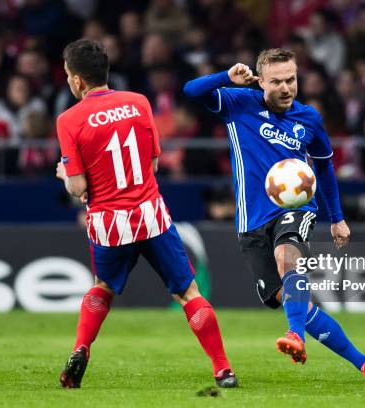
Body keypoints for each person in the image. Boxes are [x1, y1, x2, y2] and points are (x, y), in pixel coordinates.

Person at [183, 49, 365, 383]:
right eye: (276, 81)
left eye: (291, 79)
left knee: (287, 259)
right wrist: (226, 77)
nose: (285, 87)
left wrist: (336, 216)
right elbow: (191, 90)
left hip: (295, 207)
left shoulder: (308, 118)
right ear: (261, 81)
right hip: (251, 220)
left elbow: (323, 166)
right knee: (288, 298)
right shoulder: (239, 103)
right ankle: (363, 362)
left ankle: (295, 336)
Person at [55, 39, 237, 389]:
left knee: (103, 288)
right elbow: (152, 164)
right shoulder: (138, 102)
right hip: (150, 214)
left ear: (77, 80)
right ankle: (223, 369)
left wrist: (65, 174)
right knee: (188, 293)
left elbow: (78, 189)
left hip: (109, 224)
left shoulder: (68, 120)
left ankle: (81, 348)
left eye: (67, 76)